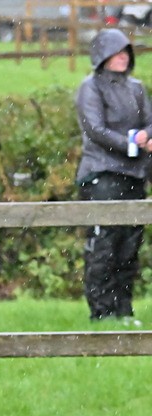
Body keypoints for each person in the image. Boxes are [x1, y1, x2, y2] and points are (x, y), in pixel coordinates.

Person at [76, 28, 150, 326]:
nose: (122, 57)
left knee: (129, 246)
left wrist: (146, 137)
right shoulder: (90, 87)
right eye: (115, 52)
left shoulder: (136, 87)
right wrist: (131, 143)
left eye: (125, 53)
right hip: (102, 173)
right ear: (102, 56)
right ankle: (101, 312)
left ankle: (123, 310)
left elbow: (149, 121)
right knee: (104, 244)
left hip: (135, 174)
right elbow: (95, 130)